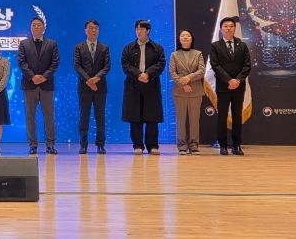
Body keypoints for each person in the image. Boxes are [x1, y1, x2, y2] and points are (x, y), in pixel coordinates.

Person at [121, 20, 166, 155]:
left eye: (141, 29)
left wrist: (148, 74)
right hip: (133, 86)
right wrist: (138, 74)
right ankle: (137, 145)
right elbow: (125, 65)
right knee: (135, 117)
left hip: (151, 85)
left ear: (148, 31)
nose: (138, 31)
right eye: (137, 29)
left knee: (152, 117)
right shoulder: (128, 48)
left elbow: (161, 64)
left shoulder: (157, 48)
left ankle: (152, 146)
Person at [17, 17, 60, 155]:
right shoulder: (24, 44)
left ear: (43, 28)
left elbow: (55, 63)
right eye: (34, 25)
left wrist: (44, 77)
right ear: (31, 28)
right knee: (30, 116)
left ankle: (50, 145)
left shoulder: (52, 43)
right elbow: (21, 62)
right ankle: (33, 145)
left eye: (39, 25)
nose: (36, 27)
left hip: (47, 85)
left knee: (49, 116)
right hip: (30, 85)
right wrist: (32, 76)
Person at [209, 17, 251, 156]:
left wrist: (237, 80)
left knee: (237, 116)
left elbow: (247, 66)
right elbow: (215, 65)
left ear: (234, 28)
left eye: (231, 26)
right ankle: (222, 145)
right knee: (222, 116)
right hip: (223, 86)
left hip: (239, 86)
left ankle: (236, 145)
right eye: (226, 26)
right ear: (221, 29)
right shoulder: (215, 46)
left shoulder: (242, 45)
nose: (228, 28)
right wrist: (229, 80)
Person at [73, 20, 111, 154]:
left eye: (96, 28)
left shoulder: (104, 48)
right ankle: (83, 145)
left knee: (100, 117)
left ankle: (101, 144)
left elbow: (107, 66)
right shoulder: (79, 47)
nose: (93, 30)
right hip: (84, 88)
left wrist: (96, 79)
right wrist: (89, 80)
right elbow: (77, 66)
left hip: (100, 88)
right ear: (85, 30)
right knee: (84, 117)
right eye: (91, 28)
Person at [168, 29, 205, 155]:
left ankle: (194, 145)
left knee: (194, 120)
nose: (185, 37)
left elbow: (201, 71)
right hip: (180, 91)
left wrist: (189, 78)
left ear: (192, 38)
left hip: (196, 90)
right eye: (183, 36)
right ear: (179, 39)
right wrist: (183, 84)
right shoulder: (174, 55)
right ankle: (182, 146)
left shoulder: (198, 54)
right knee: (180, 120)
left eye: (188, 36)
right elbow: (172, 72)